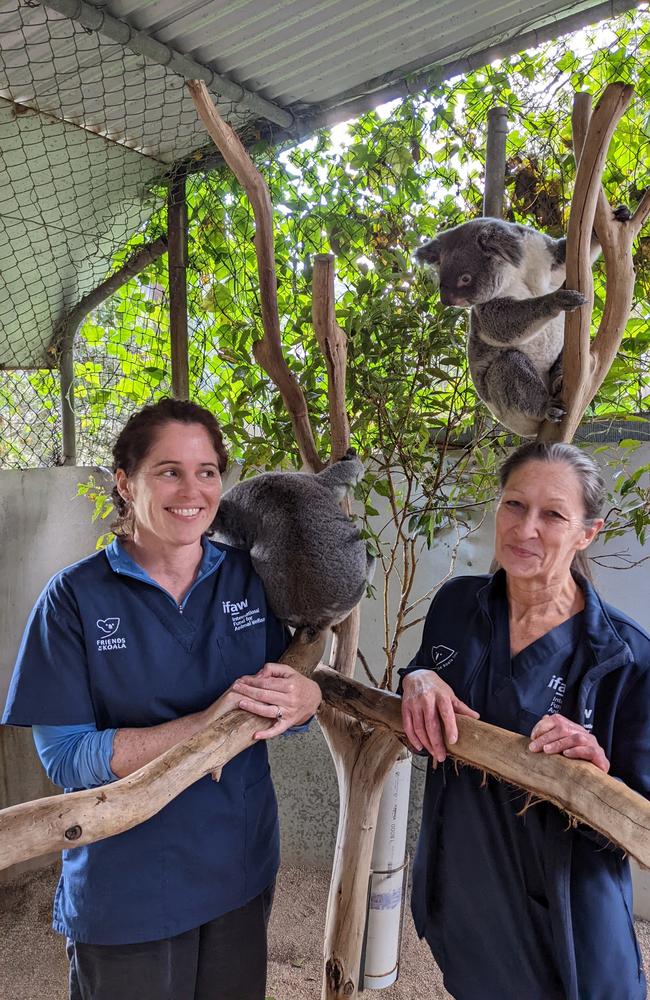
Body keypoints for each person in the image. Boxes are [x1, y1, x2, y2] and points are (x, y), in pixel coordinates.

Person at [2, 398, 322, 1000]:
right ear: (125, 483)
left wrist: (304, 700)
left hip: (239, 863)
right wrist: (205, 725)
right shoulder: (73, 600)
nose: (192, 489)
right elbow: (68, 757)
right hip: (126, 884)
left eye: (206, 471)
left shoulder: (251, 578)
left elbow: (282, 703)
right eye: (168, 470)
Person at [400, 441, 649, 1000]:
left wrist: (595, 777)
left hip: (569, 913)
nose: (526, 527)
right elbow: (423, 686)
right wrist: (415, 680)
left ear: (589, 533)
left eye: (553, 514)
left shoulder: (627, 658)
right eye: (514, 505)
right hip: (468, 886)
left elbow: (640, 820)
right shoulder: (457, 607)